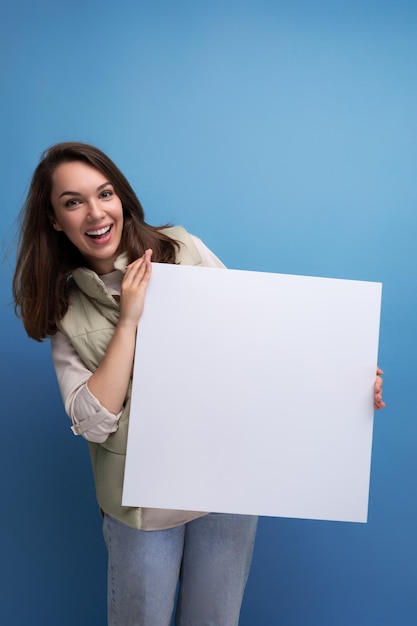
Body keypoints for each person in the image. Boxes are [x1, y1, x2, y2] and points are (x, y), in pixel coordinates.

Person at [12, 141, 385, 626]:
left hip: (225, 485)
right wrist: (129, 321)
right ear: (55, 219)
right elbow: (94, 422)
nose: (95, 212)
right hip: (141, 507)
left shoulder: (180, 248)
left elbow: (258, 340)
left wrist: (341, 379)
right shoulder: (63, 308)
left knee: (214, 620)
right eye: (73, 201)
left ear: (121, 198)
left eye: (104, 194)